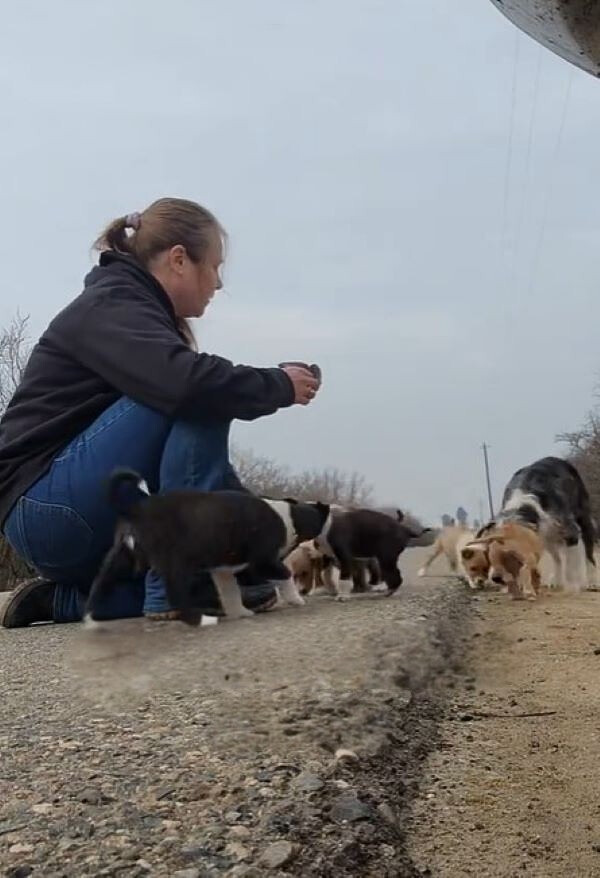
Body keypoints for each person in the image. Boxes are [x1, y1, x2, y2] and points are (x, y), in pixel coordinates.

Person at [0, 197, 321, 627]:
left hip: (75, 523)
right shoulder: (111, 305)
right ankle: (183, 580)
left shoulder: (136, 312)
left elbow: (194, 460)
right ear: (178, 260)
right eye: (215, 266)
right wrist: (277, 384)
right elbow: (189, 387)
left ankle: (62, 602)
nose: (218, 283)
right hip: (47, 508)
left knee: (244, 580)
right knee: (200, 391)